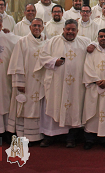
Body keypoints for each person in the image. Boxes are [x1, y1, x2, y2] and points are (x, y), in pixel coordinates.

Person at [38, 19, 90, 148]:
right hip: (57, 82)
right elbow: (42, 56)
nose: (70, 32)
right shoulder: (53, 41)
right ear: (64, 29)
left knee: (74, 108)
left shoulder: (84, 42)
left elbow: (94, 46)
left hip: (76, 84)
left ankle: (70, 138)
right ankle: (49, 136)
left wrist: (93, 45)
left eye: (73, 30)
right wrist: (54, 61)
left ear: (78, 31)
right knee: (54, 106)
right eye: (68, 29)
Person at [7, 18, 46, 143]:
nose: (36, 28)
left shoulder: (47, 42)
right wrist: (19, 82)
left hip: (41, 83)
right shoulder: (22, 42)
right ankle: (24, 136)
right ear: (30, 27)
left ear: (43, 28)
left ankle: (39, 135)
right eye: (34, 25)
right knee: (25, 107)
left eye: (39, 26)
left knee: (40, 109)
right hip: (27, 82)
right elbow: (16, 63)